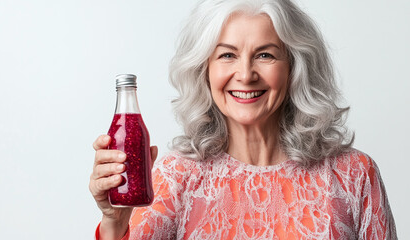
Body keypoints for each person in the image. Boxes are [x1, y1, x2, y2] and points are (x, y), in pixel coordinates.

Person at [89, 0, 397, 239]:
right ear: (204, 70)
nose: (246, 75)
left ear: (294, 67)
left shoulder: (354, 175)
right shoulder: (174, 178)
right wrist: (114, 224)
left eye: (265, 55)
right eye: (227, 55)